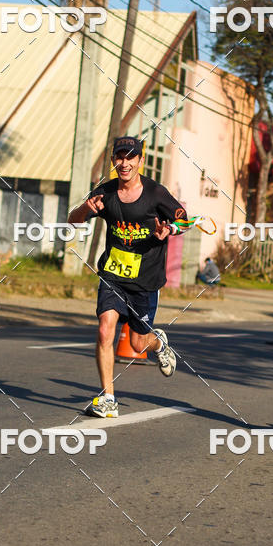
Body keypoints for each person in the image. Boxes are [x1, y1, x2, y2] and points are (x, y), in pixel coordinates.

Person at [68, 136, 187, 418]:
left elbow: (184, 220)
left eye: (130, 157)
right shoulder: (105, 192)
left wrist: (168, 231)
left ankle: (158, 342)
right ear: (113, 161)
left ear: (140, 160)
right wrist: (87, 209)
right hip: (112, 275)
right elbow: (73, 219)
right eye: (119, 157)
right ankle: (108, 398)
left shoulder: (156, 193)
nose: (124, 163)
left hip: (145, 280)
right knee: (104, 330)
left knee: (137, 343)